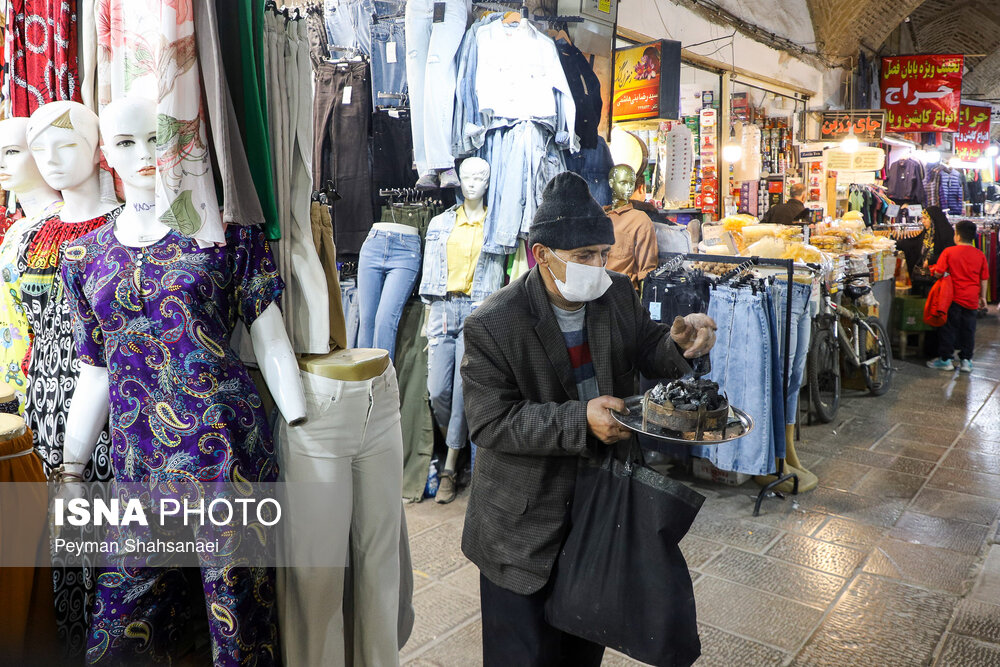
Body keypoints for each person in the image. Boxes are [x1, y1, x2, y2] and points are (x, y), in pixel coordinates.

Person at [459, 172, 717, 666]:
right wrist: (581, 420)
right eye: (584, 258)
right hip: (522, 529)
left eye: (603, 253)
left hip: (599, 512)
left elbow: (647, 349)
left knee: (582, 651)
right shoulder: (493, 323)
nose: (598, 267)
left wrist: (678, 345)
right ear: (542, 256)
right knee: (524, 656)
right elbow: (490, 423)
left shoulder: (615, 294)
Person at [926, 219, 989, 373]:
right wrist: (983, 297)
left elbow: (939, 272)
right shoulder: (979, 254)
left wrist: (934, 270)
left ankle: (946, 359)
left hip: (953, 298)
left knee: (949, 328)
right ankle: (966, 360)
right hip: (972, 298)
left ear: (958, 236)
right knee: (969, 329)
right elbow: (984, 278)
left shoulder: (949, 252)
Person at [908, 205, 955, 297]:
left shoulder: (947, 233)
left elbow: (948, 253)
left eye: (926, 218)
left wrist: (931, 260)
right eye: (922, 218)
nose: (923, 221)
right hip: (924, 276)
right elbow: (914, 243)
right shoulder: (927, 233)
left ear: (933, 219)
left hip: (940, 277)